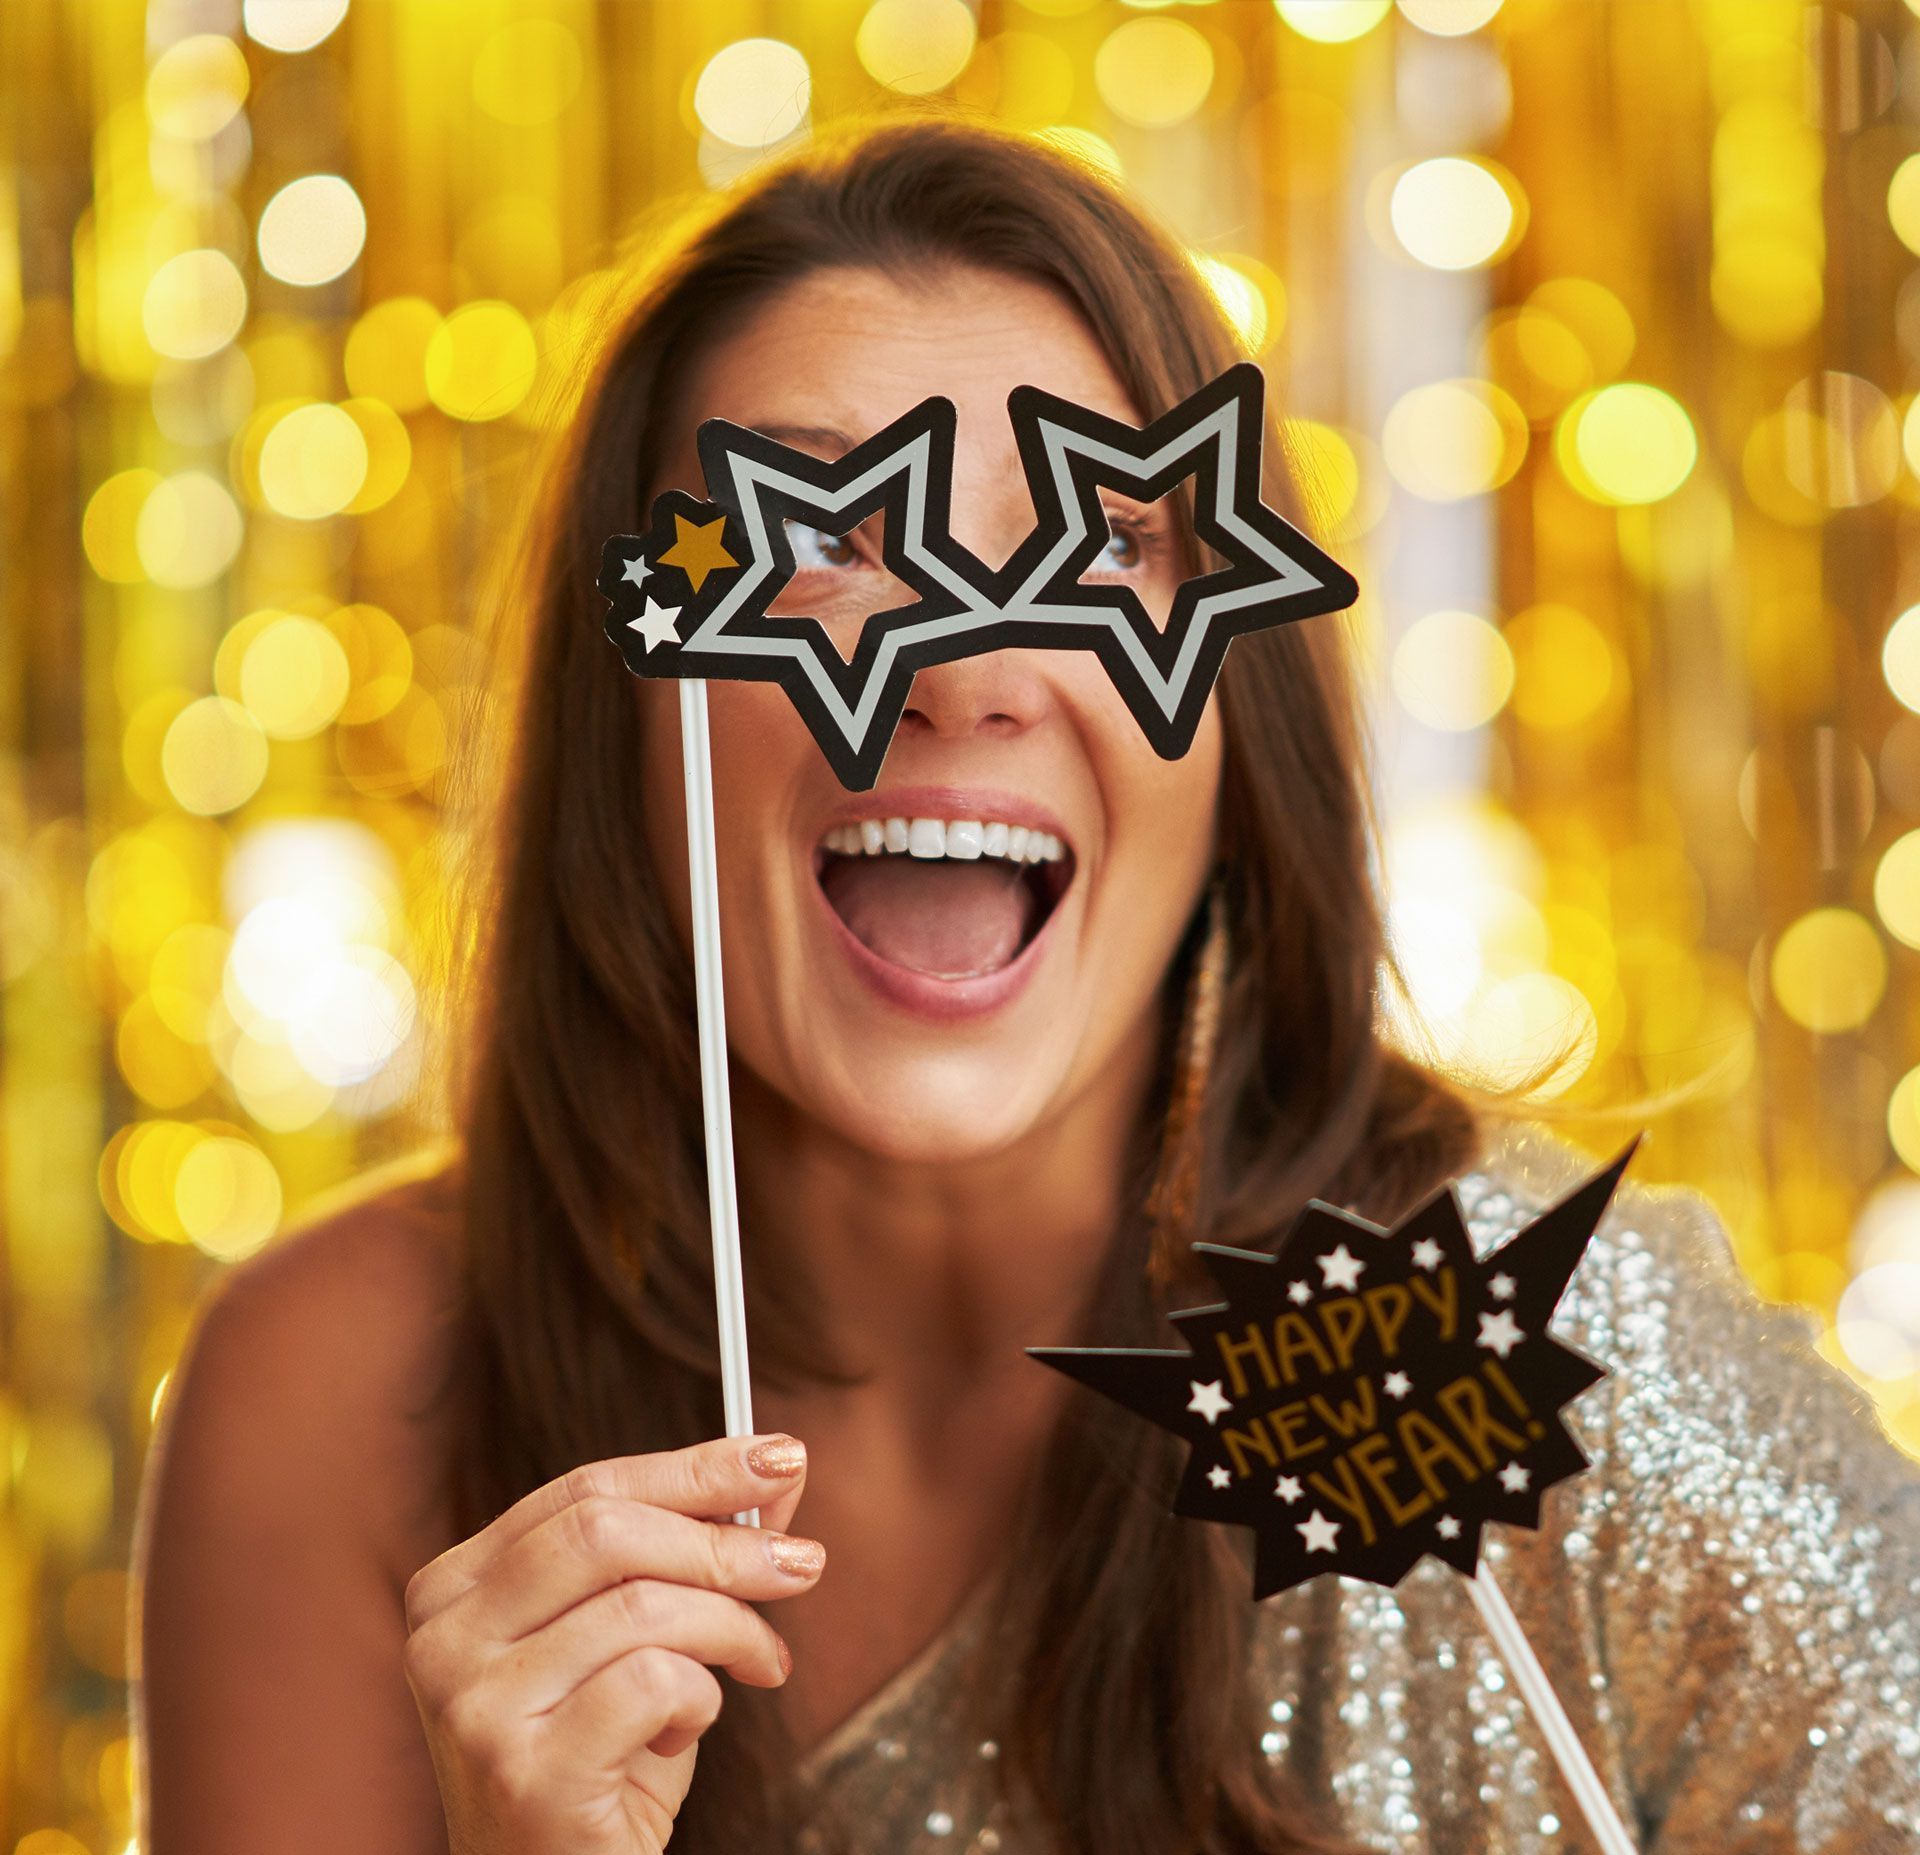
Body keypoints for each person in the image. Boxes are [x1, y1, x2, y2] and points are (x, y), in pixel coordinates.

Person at [130, 117, 1920, 1855]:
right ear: (639, 717)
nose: (967, 672)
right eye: (821, 544)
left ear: (1240, 716)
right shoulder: (354, 1391)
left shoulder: (1544, 1373)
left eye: (1101, 549)